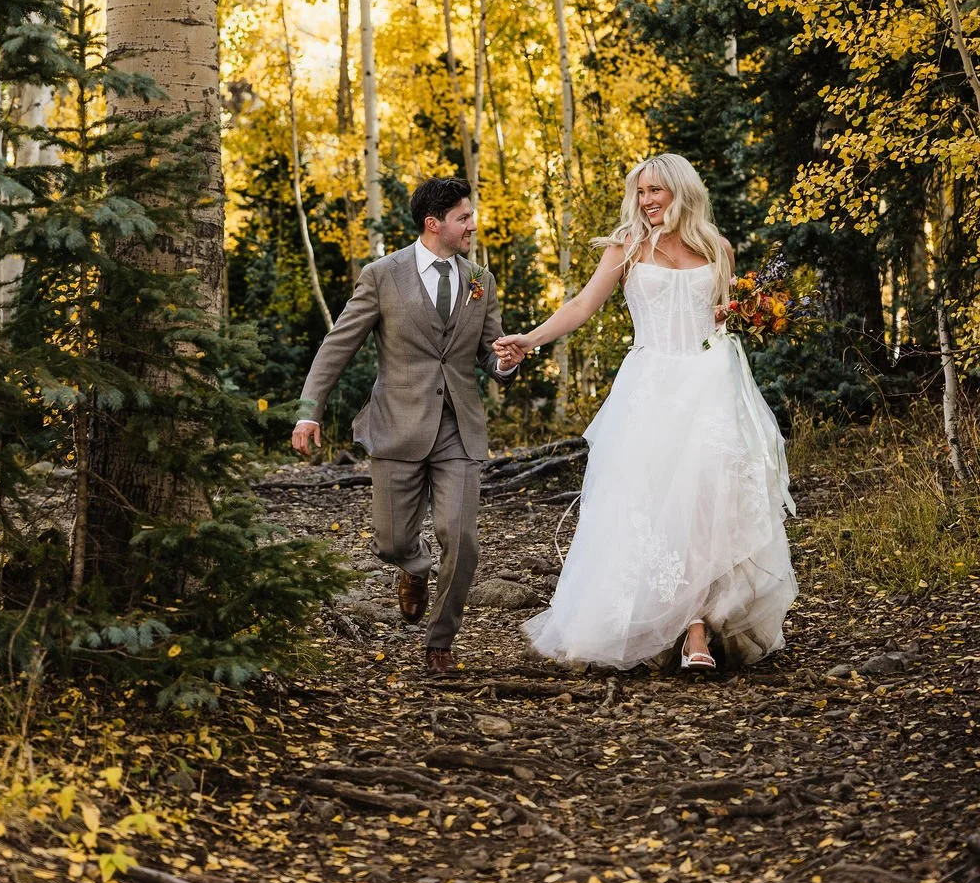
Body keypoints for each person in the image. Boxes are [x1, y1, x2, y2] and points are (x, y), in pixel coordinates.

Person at [495, 153, 797, 672]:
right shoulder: (628, 247)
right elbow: (582, 306)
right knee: (652, 501)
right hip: (651, 386)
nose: (647, 200)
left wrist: (748, 312)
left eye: (656, 190)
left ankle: (698, 628)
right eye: (640, 191)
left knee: (708, 502)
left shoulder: (717, 247)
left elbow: (721, 315)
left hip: (711, 384)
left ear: (682, 191)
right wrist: (531, 339)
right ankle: (671, 626)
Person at [292, 177, 525, 676]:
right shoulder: (382, 275)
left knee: (461, 537)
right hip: (397, 424)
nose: (472, 225)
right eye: (463, 217)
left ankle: (440, 641)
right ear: (433, 224)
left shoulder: (481, 279)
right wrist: (309, 409)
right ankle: (415, 570)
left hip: (458, 427)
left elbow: (489, 353)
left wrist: (505, 362)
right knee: (392, 542)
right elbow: (339, 344)